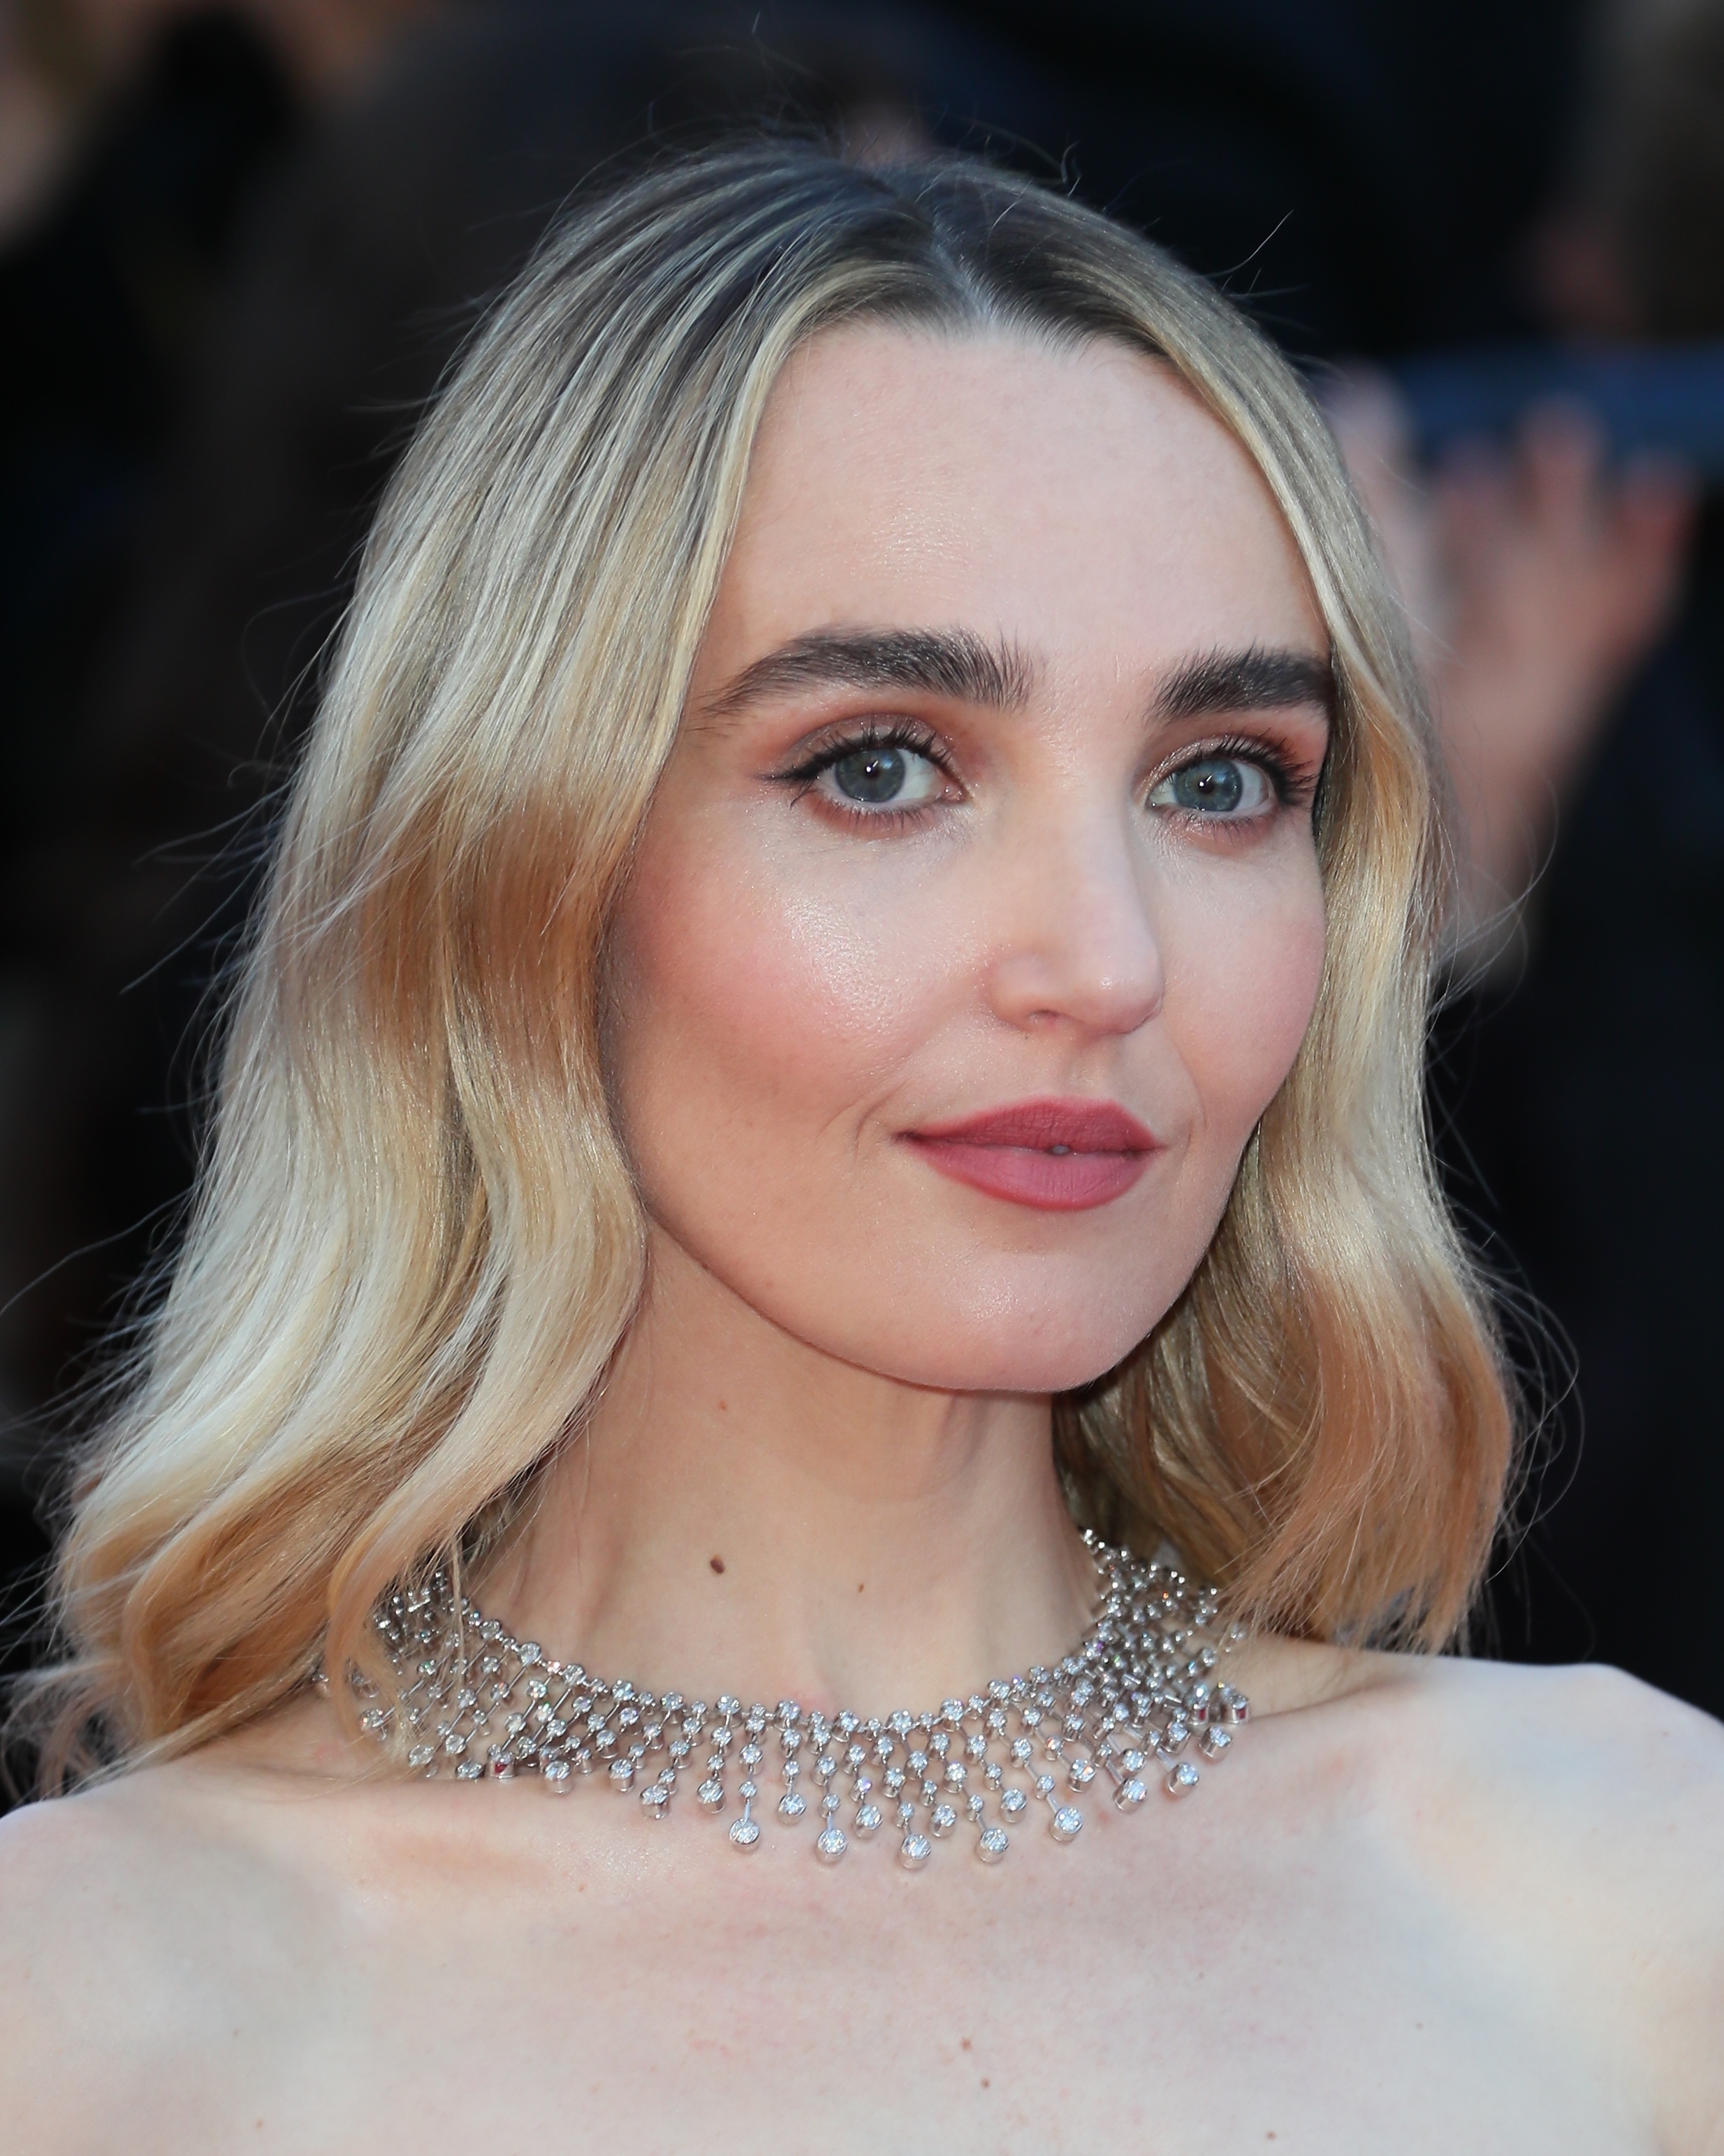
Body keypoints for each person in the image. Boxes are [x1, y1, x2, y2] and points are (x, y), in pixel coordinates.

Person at [1, 144, 1717, 2147]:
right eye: (880, 768)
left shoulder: (1628, 1888)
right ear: (518, 866)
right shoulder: (88, 2009)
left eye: (1220, 781)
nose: (1102, 962)